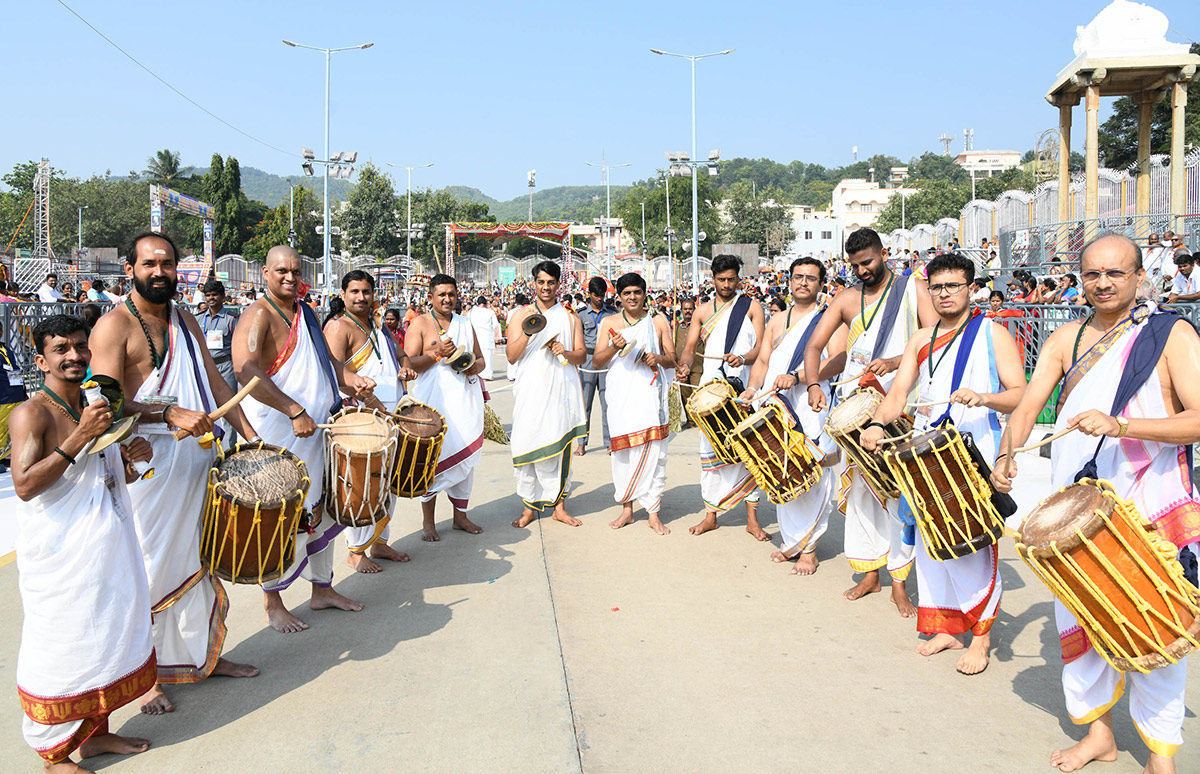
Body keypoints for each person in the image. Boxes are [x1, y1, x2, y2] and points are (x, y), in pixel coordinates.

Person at [993, 233, 1200, 774]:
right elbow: (1029, 403)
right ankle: (1100, 736)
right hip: (1076, 506)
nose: (1103, 284)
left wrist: (1124, 425)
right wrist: (1006, 453)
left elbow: (1199, 418)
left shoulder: (1169, 334)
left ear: (1139, 277)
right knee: (1080, 620)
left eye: (1116, 274)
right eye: (1092, 274)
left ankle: (1160, 753)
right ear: (1080, 277)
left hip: (1148, 503)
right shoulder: (1066, 337)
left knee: (1154, 625)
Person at [90, 231, 260, 715]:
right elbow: (105, 402)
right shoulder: (113, 327)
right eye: (149, 263)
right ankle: (146, 677)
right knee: (149, 569)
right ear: (129, 269)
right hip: (145, 464)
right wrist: (168, 415)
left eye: (167, 263)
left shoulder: (184, 318)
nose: (159, 271)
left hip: (196, 461)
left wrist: (247, 433)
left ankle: (203, 658)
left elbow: (212, 378)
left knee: (200, 560)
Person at [860, 252, 1026, 674]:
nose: (944, 294)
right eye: (936, 287)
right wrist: (878, 423)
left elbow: (1021, 394)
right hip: (925, 450)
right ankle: (949, 627)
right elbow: (898, 395)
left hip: (972, 452)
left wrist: (985, 397)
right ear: (928, 290)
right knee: (934, 547)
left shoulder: (992, 334)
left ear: (971, 288)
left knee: (968, 545)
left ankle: (982, 639)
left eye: (953, 286)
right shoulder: (920, 339)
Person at [10, 315, 156, 772]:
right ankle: (54, 756)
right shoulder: (30, 413)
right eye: (61, 349)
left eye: (79, 346)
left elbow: (104, 474)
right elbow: (25, 484)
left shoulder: (97, 402)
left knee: (107, 634)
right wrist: (81, 436)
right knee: (66, 644)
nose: (73, 355)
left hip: (108, 546)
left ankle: (95, 737)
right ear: (41, 360)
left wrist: (132, 460)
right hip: (62, 557)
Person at [232, 245, 374, 633]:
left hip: (317, 432)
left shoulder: (307, 313)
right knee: (278, 519)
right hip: (280, 433)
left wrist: (351, 380)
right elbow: (245, 371)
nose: (290, 278)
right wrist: (293, 409)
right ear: (265, 272)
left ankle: (322, 589)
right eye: (281, 271)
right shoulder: (257, 315)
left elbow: (329, 363)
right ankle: (273, 602)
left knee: (321, 512)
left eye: (295, 271)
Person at [804, 227, 934, 615]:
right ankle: (869, 572)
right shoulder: (845, 299)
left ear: (884, 253)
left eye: (868, 262)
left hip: (903, 406)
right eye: (855, 265)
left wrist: (897, 361)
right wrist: (814, 384)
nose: (862, 270)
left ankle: (899, 581)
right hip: (856, 408)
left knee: (898, 495)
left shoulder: (913, 289)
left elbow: (934, 335)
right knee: (862, 495)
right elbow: (814, 345)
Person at [741, 257, 846, 574]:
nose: (803, 282)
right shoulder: (777, 320)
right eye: (798, 276)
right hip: (775, 406)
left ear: (820, 284)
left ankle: (809, 550)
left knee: (812, 474)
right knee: (782, 470)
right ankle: (792, 542)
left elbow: (837, 361)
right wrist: (752, 389)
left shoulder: (830, 320)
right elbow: (762, 361)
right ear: (789, 280)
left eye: (810, 278)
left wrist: (800, 377)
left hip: (810, 405)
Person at [325, 270, 417, 572]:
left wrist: (405, 368)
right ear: (343, 294)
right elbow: (334, 375)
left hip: (390, 413)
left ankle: (378, 542)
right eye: (354, 292)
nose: (361, 297)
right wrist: (365, 398)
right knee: (363, 484)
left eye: (366, 292)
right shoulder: (339, 328)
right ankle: (356, 550)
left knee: (387, 484)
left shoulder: (378, 326)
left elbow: (402, 355)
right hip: (362, 417)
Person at [677, 254, 768, 539]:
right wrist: (683, 366)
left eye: (731, 279)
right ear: (712, 279)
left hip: (745, 387)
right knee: (710, 450)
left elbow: (762, 349)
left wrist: (742, 357)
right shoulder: (702, 311)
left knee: (748, 450)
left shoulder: (752, 307)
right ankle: (711, 515)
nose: (727, 284)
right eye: (721, 280)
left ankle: (752, 519)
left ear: (738, 278)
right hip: (710, 388)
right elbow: (690, 347)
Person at [592, 273, 676, 535]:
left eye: (636, 292)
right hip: (621, 395)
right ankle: (627, 509)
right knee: (623, 453)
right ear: (619, 297)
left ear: (644, 293)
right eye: (626, 293)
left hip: (650, 395)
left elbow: (672, 358)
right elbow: (596, 362)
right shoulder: (609, 323)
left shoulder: (657, 321)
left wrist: (657, 359)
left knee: (654, 453)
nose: (632, 297)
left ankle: (653, 512)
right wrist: (614, 348)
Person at [405, 274, 487, 542]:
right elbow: (408, 364)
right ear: (430, 297)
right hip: (434, 404)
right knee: (433, 461)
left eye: (451, 294)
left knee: (464, 460)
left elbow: (481, 359)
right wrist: (436, 353)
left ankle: (460, 516)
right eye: (441, 295)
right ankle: (428, 523)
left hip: (464, 401)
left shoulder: (464, 323)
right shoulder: (420, 323)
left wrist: (473, 366)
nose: (447, 299)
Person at [507, 261, 587, 528]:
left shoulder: (570, 317)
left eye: (551, 282)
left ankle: (559, 506)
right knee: (525, 443)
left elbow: (581, 356)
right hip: (530, 391)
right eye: (541, 282)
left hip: (560, 392)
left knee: (559, 447)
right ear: (534, 284)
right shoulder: (521, 316)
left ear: (558, 285)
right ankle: (529, 507)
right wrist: (528, 334)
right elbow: (511, 356)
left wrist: (564, 351)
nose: (546, 287)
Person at [577, 277, 617, 455]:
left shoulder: (612, 313)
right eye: (596, 295)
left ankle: (610, 442)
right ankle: (582, 443)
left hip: (607, 360)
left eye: (602, 295)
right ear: (589, 294)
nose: (600, 299)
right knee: (585, 404)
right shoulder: (581, 315)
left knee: (608, 403)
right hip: (587, 361)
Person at [198, 279, 239, 392]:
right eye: (208, 295)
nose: (211, 298)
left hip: (225, 367)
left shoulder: (231, 319)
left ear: (222, 296)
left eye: (214, 294)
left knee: (229, 403)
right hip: (204, 367)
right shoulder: (198, 319)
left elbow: (238, 347)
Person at [0, 323, 28, 473]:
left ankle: (7, 456)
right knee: (1, 430)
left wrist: (23, 392)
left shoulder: (6, 350)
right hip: (2, 396)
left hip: (15, 393)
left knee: (13, 429)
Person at [467, 294, 500, 380]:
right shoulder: (490, 312)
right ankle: (488, 375)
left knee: (476, 356)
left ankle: (478, 374)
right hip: (487, 337)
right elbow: (496, 325)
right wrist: (489, 329)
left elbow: (467, 323)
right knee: (488, 356)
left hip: (475, 337)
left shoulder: (471, 312)